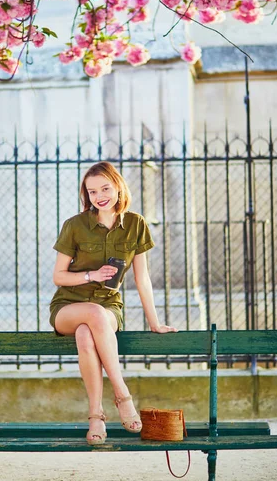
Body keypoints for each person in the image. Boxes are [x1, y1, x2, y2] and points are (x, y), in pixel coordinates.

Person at [49, 161, 177, 445]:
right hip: (68, 307)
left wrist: (154, 322)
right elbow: (58, 276)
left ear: (118, 186)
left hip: (108, 309)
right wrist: (90, 275)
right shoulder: (74, 225)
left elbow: (142, 279)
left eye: (105, 188)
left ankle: (96, 416)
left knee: (87, 332)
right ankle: (122, 395)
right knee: (88, 317)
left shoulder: (136, 224)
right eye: (92, 191)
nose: (99, 196)